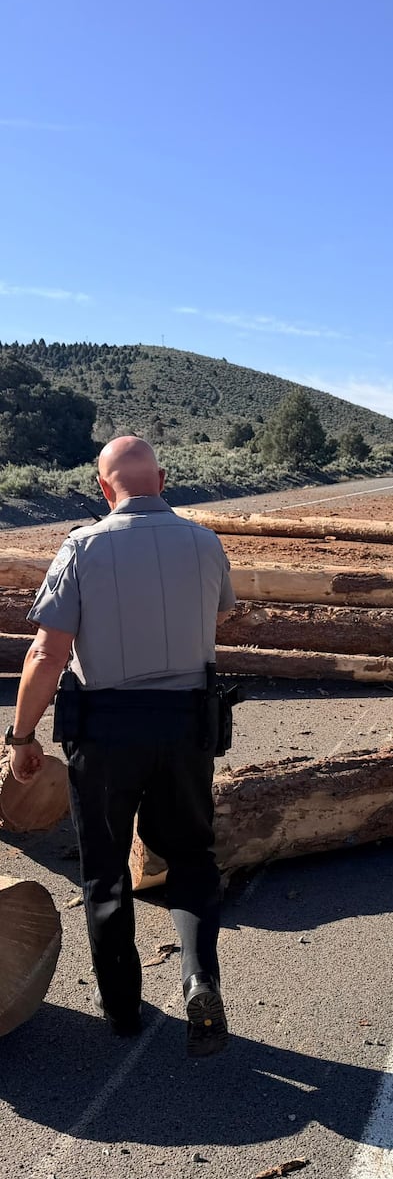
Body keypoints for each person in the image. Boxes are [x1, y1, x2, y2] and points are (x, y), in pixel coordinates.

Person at [7, 436, 237, 1056]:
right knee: (190, 858)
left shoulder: (82, 546)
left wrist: (22, 736)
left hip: (105, 731)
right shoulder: (205, 542)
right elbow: (213, 616)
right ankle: (199, 978)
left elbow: (47, 653)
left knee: (106, 871)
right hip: (188, 725)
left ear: (103, 488)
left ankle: (122, 1009)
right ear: (161, 480)